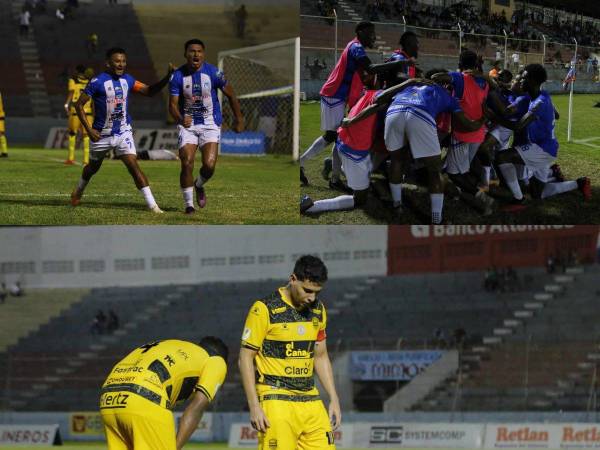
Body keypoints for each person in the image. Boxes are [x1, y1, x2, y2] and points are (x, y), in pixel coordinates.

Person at [239, 255, 340, 449]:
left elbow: (320, 356)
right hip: (276, 398)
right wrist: (254, 406)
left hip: (311, 399)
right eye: (307, 290)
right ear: (293, 279)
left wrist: (334, 398)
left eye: (317, 292)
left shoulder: (318, 310)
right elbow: (245, 358)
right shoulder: (264, 309)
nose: (312, 297)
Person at [70, 47, 174, 213]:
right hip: (101, 135)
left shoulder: (128, 80)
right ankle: (79, 189)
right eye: (117, 61)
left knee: (133, 165)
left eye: (123, 61)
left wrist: (167, 78)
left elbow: (148, 91)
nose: (121, 64)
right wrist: (89, 131)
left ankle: (153, 206)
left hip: (123, 132)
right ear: (108, 63)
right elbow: (79, 105)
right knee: (93, 168)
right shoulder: (97, 81)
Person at [100, 337, 227, 450]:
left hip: (108, 398)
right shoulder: (216, 360)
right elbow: (197, 407)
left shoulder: (176, 345)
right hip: (145, 396)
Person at [496, 64, 591, 204]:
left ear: (533, 81)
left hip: (542, 149)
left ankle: (518, 200)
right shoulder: (541, 95)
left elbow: (517, 126)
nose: (521, 81)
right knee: (537, 194)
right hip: (546, 147)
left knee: (501, 157)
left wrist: (493, 117)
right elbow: (556, 115)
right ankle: (579, 183)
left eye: (524, 79)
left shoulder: (539, 103)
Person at [169, 39, 244, 214]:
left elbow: (231, 95)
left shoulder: (214, 73)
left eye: (199, 51)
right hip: (188, 125)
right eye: (192, 51)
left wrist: (239, 119)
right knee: (187, 163)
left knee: (209, 166)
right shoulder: (177, 76)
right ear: (185, 54)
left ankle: (199, 184)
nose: (195, 54)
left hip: (210, 123)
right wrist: (181, 118)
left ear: (203, 54)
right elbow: (172, 105)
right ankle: (189, 205)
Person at [299, 22, 377, 187]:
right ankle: (301, 164)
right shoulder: (356, 47)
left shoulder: (354, 47)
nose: (374, 37)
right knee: (332, 136)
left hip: (337, 97)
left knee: (337, 136)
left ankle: (335, 178)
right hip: (334, 95)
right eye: (371, 33)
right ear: (361, 32)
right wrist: (397, 65)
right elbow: (370, 67)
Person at [64, 65, 93, 165]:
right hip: (88, 112)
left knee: (72, 133)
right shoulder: (90, 82)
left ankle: (71, 158)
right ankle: (86, 160)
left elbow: (71, 93)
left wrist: (66, 104)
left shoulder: (73, 80)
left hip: (76, 111)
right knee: (86, 135)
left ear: (77, 71)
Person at [0, 91, 7, 157]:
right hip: (1, 115)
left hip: (0, 116)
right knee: (1, 134)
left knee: (1, 134)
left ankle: (4, 152)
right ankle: (4, 152)